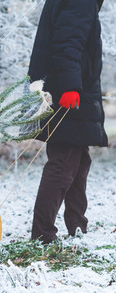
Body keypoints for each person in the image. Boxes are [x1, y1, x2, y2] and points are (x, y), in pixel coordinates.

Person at [28, 0, 108, 244]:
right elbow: (66, 44)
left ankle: (77, 228)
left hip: (72, 91)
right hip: (70, 93)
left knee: (79, 161)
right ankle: (42, 236)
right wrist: (71, 86)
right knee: (63, 164)